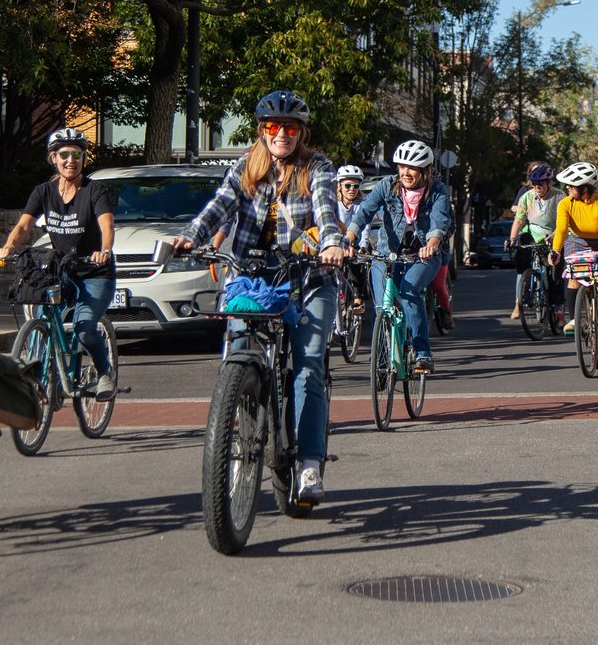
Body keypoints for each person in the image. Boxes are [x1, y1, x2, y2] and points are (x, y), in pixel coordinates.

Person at [167, 90, 348, 504]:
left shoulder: (316, 167)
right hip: (253, 278)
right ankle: (240, 416)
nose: (281, 134)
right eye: (272, 126)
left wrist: (332, 244)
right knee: (235, 357)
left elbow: (325, 210)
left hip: (308, 276)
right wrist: (190, 236)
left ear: (301, 132)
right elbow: (219, 207)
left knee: (307, 368)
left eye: (289, 127)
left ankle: (308, 465)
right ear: (261, 130)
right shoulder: (245, 166)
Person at [0, 128, 119, 400]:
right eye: (64, 154)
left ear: (84, 159)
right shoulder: (43, 192)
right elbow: (24, 226)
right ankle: (42, 378)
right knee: (42, 319)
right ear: (53, 159)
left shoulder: (94, 190)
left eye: (76, 154)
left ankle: (104, 372)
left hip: (95, 272)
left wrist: (104, 250)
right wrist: (7, 247)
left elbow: (106, 225)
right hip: (61, 271)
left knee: (85, 328)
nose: (70, 160)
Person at [346, 139, 452, 372]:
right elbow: (365, 211)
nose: (405, 172)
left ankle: (423, 354)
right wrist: (350, 237)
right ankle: (382, 361)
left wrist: (432, 243)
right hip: (388, 253)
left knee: (408, 291)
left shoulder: (437, 191)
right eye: (402, 167)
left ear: (425, 171)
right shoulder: (386, 185)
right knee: (382, 306)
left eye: (412, 168)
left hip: (423, 255)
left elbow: (440, 220)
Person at [548, 161, 598, 343]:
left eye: (571, 185)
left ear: (584, 188)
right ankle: (574, 319)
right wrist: (555, 251)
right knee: (574, 278)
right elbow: (561, 230)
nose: (567, 188)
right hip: (577, 242)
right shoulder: (565, 203)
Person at [506, 162, 559, 319]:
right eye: (534, 184)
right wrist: (512, 239)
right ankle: (519, 301)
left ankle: (556, 305)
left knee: (554, 273)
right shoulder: (526, 197)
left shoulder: (559, 197)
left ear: (549, 183)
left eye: (541, 183)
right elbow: (519, 220)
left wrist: (556, 234)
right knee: (521, 265)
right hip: (531, 236)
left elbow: (565, 221)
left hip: (552, 236)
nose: (537, 187)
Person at [333, 164, 371, 336]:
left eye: (356, 186)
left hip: (356, 243)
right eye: (348, 185)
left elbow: (366, 227)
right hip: (336, 243)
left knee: (359, 263)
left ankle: (357, 296)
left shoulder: (363, 203)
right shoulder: (333, 203)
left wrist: (362, 245)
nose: (352, 189)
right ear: (339, 185)